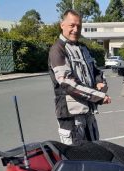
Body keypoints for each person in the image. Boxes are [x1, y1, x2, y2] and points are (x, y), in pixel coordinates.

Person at [48, 9, 111, 145]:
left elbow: (96, 71)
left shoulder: (83, 48)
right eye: (72, 25)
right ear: (62, 25)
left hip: (88, 114)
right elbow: (68, 84)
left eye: (79, 26)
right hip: (71, 117)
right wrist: (98, 96)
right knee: (76, 160)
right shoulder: (58, 50)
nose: (76, 29)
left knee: (95, 155)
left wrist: (100, 83)